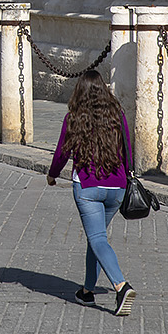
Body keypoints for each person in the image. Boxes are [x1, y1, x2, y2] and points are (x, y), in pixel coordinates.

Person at [46, 70, 135, 316]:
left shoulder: (73, 118)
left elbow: (62, 152)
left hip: (88, 186)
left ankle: (120, 285)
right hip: (117, 188)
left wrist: (53, 174)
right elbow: (128, 149)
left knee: (97, 238)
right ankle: (87, 291)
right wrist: (127, 179)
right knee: (96, 238)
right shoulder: (118, 116)